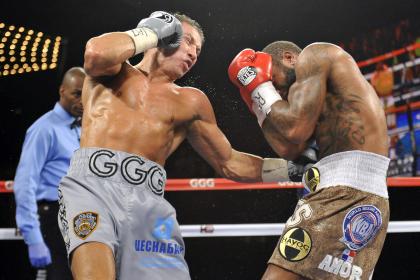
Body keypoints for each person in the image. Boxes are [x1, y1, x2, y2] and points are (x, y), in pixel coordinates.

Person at [57, 11, 315, 280]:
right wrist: (152, 32)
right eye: (188, 41)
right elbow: (96, 52)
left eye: (198, 50)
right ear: (166, 36)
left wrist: (293, 169)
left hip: (149, 204)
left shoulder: (191, 101)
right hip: (91, 190)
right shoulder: (110, 71)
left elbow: (230, 163)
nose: (193, 53)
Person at [228, 41, 390, 280]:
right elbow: (289, 148)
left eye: (273, 80)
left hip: (342, 190)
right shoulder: (309, 96)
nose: (276, 93)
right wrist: (258, 98)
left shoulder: (315, 55)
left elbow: (294, 130)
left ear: (289, 58)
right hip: (364, 195)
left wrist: (259, 86)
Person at [13, 67, 86, 279]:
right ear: (62, 91)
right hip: (52, 219)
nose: (82, 101)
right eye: (76, 93)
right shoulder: (43, 129)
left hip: (80, 218)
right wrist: (34, 237)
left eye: (86, 94)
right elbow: (24, 184)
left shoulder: (85, 127)